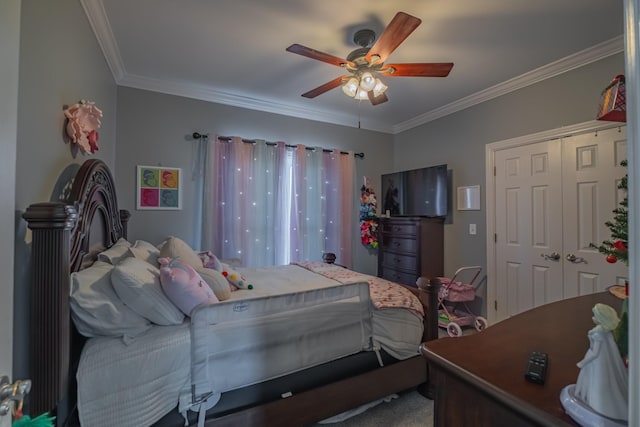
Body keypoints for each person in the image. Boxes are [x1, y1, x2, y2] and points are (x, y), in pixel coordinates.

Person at [574, 303, 628, 421]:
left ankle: (599, 406)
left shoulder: (598, 332)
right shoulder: (605, 331)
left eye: (595, 315)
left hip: (597, 362)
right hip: (602, 360)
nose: (593, 317)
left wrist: (583, 362)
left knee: (597, 381)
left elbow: (595, 353)